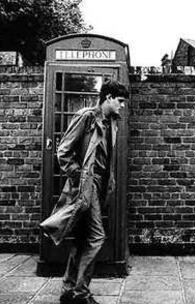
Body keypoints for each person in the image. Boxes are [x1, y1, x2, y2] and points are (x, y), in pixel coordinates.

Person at [57, 80, 129, 304]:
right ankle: (80, 293)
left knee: (81, 238)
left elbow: (105, 159)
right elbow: (63, 151)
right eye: (120, 101)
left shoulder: (112, 122)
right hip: (87, 185)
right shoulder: (87, 117)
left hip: (101, 185)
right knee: (97, 237)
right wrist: (80, 178)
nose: (122, 106)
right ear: (108, 98)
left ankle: (68, 290)